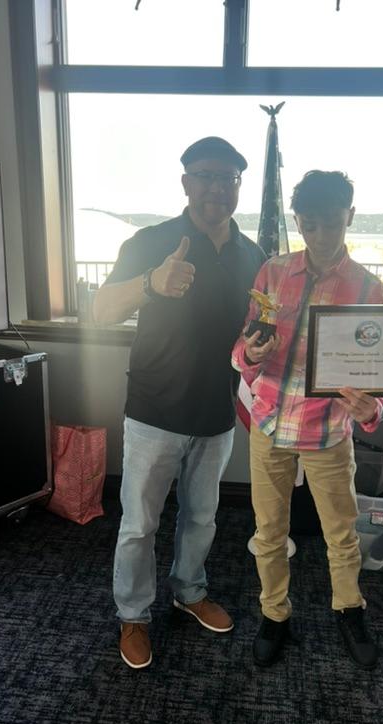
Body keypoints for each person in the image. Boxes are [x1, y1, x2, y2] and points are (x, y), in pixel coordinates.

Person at [94, 137, 265, 669]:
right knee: (139, 524)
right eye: (206, 176)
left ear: (239, 186)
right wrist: (151, 283)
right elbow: (100, 311)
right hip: (154, 410)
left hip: (217, 411)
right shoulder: (151, 241)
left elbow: (253, 332)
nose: (217, 187)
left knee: (202, 517)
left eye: (228, 178)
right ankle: (133, 614)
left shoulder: (253, 255)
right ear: (186, 182)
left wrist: (260, 346)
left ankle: (189, 591)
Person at [231, 170, 383, 669]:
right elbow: (243, 346)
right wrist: (251, 354)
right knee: (269, 529)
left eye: (333, 223)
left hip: (328, 429)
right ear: (298, 220)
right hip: (270, 422)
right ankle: (274, 613)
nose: (321, 235)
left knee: (341, 532)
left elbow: (380, 367)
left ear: (350, 217)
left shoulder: (368, 288)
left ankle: (349, 610)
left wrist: (373, 408)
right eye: (311, 224)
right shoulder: (272, 272)